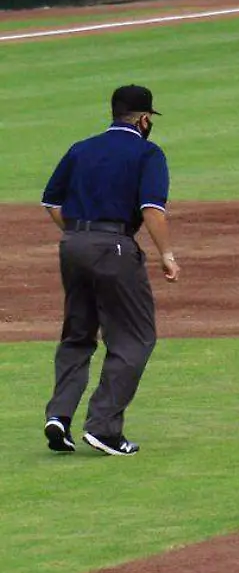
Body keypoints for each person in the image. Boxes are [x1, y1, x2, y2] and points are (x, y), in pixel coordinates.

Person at [39, 84, 180, 456]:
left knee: (78, 334)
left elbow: (51, 201)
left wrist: (80, 237)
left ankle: (59, 416)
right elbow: (152, 209)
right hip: (115, 247)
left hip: (72, 244)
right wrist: (166, 254)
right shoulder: (147, 153)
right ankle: (103, 427)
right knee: (135, 338)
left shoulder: (81, 148)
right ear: (145, 119)